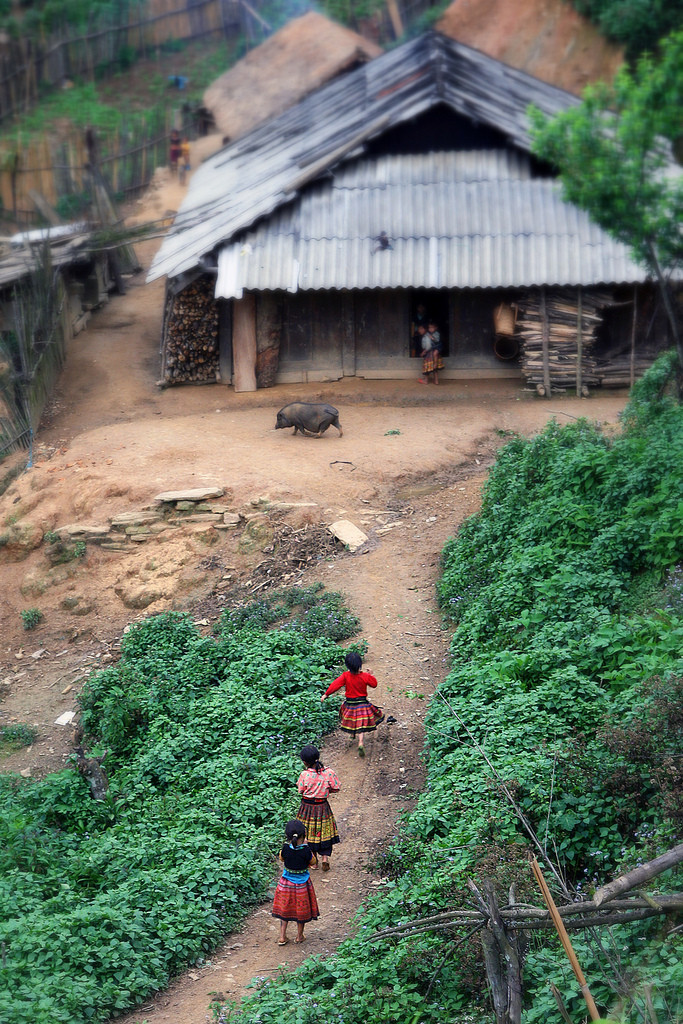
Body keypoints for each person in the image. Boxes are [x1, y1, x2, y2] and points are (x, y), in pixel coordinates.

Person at [321, 651, 384, 757]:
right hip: (362, 703)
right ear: (360, 664)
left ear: (347, 666)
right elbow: (374, 684)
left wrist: (326, 694)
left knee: (352, 719)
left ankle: (352, 735)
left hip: (350, 703)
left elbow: (335, 685)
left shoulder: (345, 676)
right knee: (361, 723)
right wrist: (371, 675)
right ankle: (360, 742)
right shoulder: (364, 676)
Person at [272, 819, 319, 945]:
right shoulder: (306, 851)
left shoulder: (285, 849)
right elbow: (313, 862)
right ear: (303, 836)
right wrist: (306, 846)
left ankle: (282, 937)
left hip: (285, 884)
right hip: (302, 885)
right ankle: (299, 936)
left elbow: (282, 858)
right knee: (301, 911)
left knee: (284, 910)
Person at [296, 744, 340, 872]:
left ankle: (314, 863)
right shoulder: (328, 772)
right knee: (324, 831)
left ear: (304, 762)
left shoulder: (304, 775)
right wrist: (326, 791)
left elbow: (301, 790)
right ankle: (325, 858)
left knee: (308, 833)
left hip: (307, 807)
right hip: (322, 806)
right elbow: (336, 787)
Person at [420, 319, 444, 385]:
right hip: (433, 351)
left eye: (432, 327)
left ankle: (426, 380)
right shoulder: (429, 334)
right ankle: (436, 381)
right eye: (429, 328)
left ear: (436, 328)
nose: (430, 329)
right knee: (434, 368)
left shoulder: (435, 334)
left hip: (431, 351)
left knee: (427, 366)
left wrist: (424, 352)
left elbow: (429, 345)